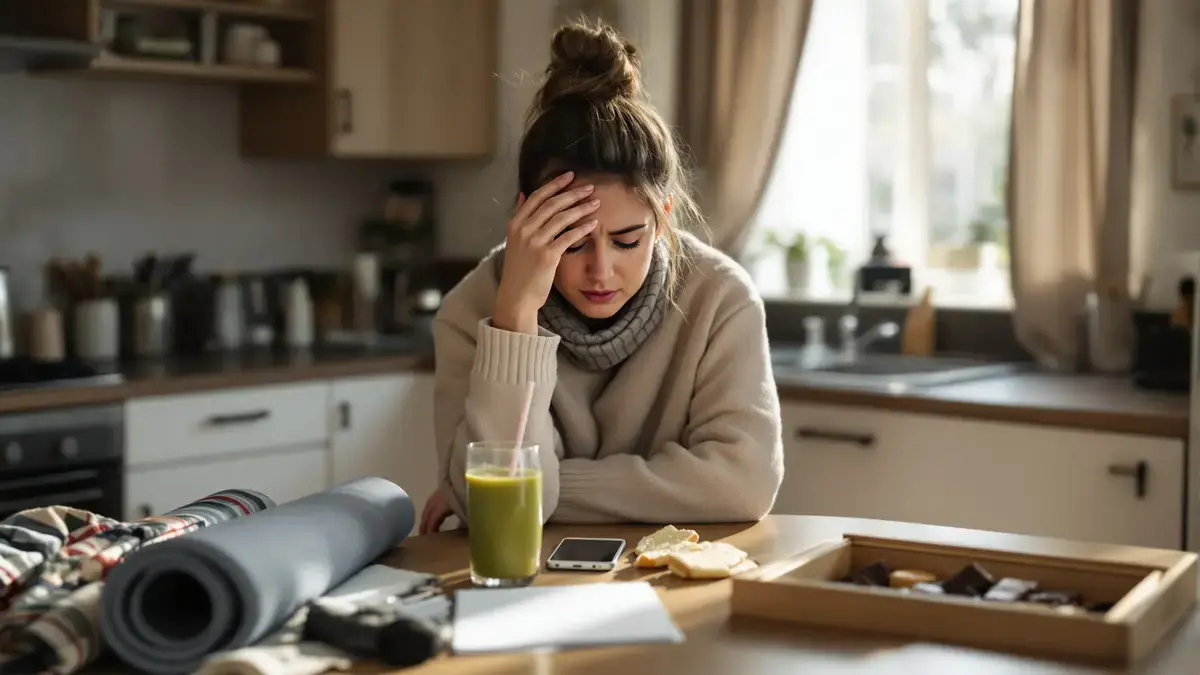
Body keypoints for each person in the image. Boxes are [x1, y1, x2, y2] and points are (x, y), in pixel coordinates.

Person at [419, 20, 782, 534]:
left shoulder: (720, 298)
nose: (601, 271)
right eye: (572, 241)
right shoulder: (471, 308)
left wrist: (544, 491)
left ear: (663, 218)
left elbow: (744, 485)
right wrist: (516, 318)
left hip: (671, 577)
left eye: (628, 241)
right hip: (527, 587)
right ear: (527, 218)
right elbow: (495, 515)